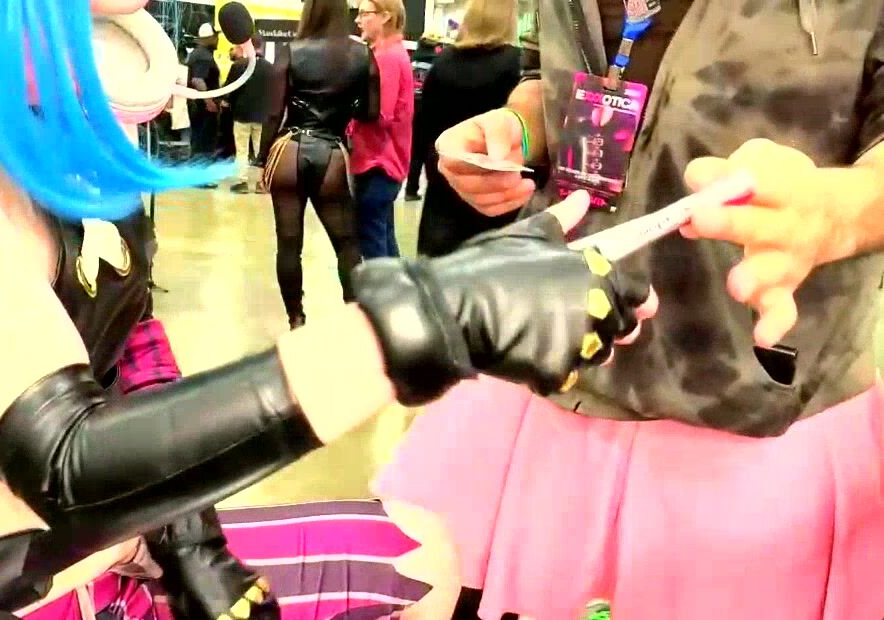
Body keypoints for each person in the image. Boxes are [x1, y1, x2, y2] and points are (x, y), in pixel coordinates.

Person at [0, 0, 658, 619]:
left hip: (107, 561)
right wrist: (432, 319)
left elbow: (129, 341)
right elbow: (67, 457)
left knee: (417, 549)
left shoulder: (31, 90)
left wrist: (193, 537)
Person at [373, 1, 884, 618]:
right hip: (545, 370)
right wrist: (518, 127)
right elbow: (547, 75)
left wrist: (836, 213)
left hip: (754, 404)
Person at [257, 0, 376, 329]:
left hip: (289, 149)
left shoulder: (291, 51)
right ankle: (356, 319)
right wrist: (343, 104)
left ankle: (296, 319)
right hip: (332, 152)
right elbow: (370, 112)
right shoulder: (362, 55)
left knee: (288, 244)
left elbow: (273, 113)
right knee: (347, 244)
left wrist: (262, 160)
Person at [413, 0, 520, 257]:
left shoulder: (443, 62)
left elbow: (422, 125)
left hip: (443, 180)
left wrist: (413, 178)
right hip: (496, 184)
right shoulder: (516, 65)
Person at [350, 0, 413, 259]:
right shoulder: (390, 53)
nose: (358, 21)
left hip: (378, 163)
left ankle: (381, 287)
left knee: (373, 243)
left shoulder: (386, 57)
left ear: (385, 16)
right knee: (383, 234)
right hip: (384, 161)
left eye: (364, 14)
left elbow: (379, 114)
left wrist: (347, 114)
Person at [223, 34, 272, 194]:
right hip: (263, 116)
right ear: (261, 46)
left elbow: (230, 90)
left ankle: (242, 182)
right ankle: (260, 183)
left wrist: (227, 102)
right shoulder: (270, 68)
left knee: (242, 150)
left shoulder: (239, 65)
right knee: (260, 150)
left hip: (242, 114)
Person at [403, 32, 445, 202]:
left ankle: (411, 189)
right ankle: (433, 191)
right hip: (430, 110)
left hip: (412, 109)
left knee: (415, 152)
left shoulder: (411, 62)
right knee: (431, 150)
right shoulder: (438, 65)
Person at [185, 22, 222, 178]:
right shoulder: (203, 56)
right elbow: (198, 80)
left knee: (199, 140)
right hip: (204, 108)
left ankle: (197, 175)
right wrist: (209, 101)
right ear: (208, 38)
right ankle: (200, 177)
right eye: (215, 36)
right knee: (204, 141)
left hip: (198, 106)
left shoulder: (198, 54)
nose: (217, 40)